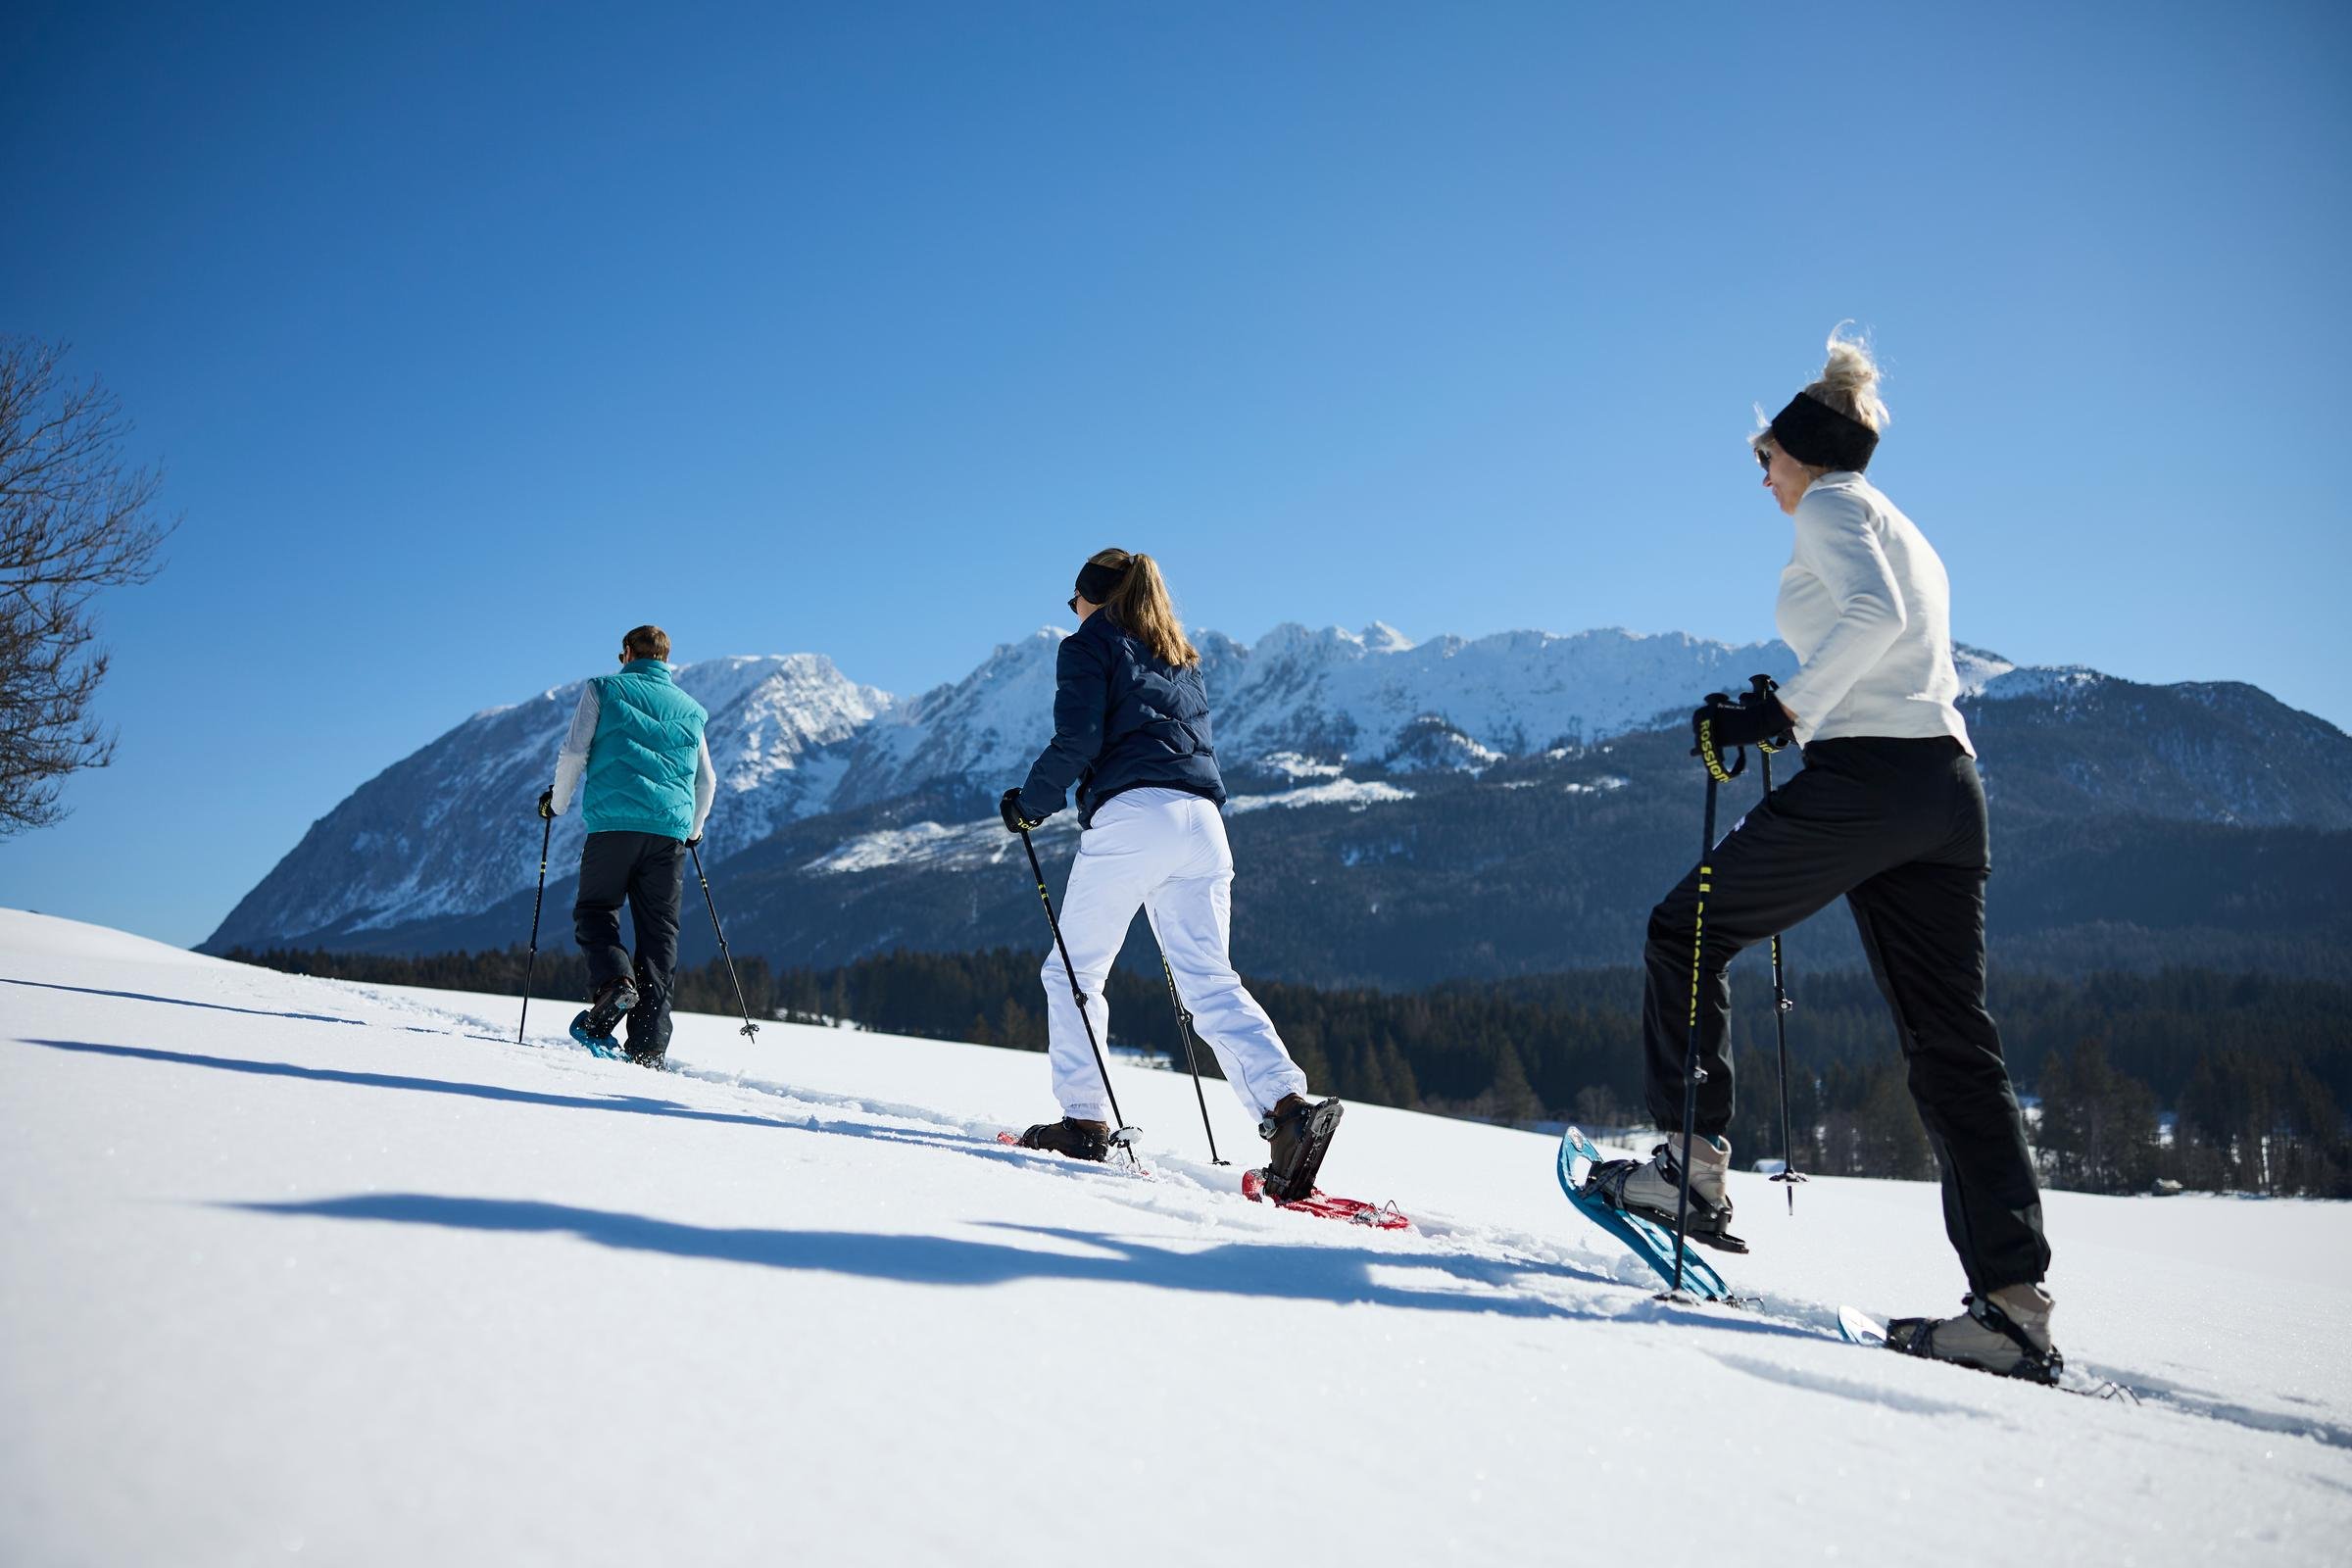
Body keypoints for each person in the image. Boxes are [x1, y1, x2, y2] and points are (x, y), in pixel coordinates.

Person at [1582, 330, 2061, 1382]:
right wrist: (1789, 698)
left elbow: (1873, 618)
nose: (1763, 478)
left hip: (1871, 783)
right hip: (1945, 786)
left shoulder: (1837, 506)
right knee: (1952, 1046)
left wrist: (1781, 712)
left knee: (1685, 928)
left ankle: (1692, 1171)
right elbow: (1888, 633)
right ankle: (2014, 1308)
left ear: (1801, 453)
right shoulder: (1900, 525)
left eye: (1766, 460)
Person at [1000, 549, 1340, 1197]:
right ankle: (1288, 1112)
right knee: (1209, 982)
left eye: (1074, 602)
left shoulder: (1088, 645)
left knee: (1074, 971)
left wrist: (1029, 805)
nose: (1072, 614)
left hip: (1134, 818)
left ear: (1093, 599)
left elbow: (1077, 742)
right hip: (1204, 826)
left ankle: (1084, 1121)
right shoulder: (1179, 654)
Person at [538, 624, 716, 1068]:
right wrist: (692, 829)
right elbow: (706, 781)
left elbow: (574, 753)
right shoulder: (692, 710)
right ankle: (649, 1046)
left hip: (613, 828)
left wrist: (555, 804)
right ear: (666, 659)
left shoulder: (603, 689)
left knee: (596, 912)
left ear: (626, 653)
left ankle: (616, 985)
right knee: (659, 935)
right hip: (669, 837)